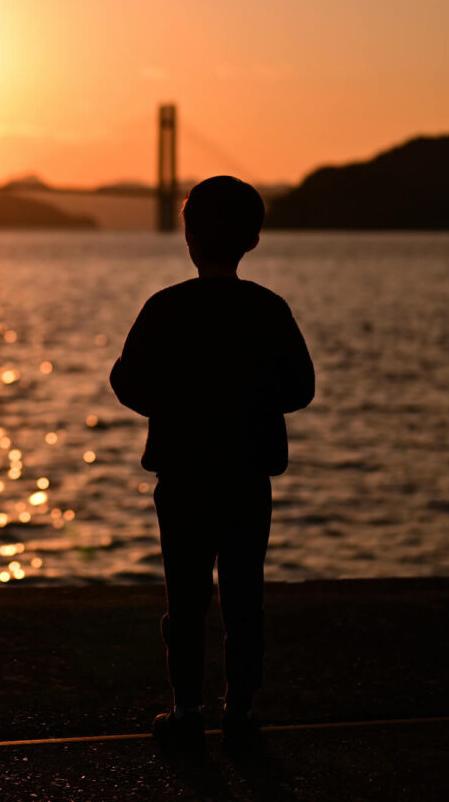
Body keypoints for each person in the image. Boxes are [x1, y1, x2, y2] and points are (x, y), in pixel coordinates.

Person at [110, 175, 314, 750]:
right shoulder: (269, 309)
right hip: (249, 474)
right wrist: (252, 401)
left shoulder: (166, 307)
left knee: (186, 595)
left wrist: (171, 406)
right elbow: (302, 389)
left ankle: (185, 709)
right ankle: (242, 709)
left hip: (182, 474)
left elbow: (126, 382)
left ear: (189, 237)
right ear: (252, 239)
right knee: (245, 594)